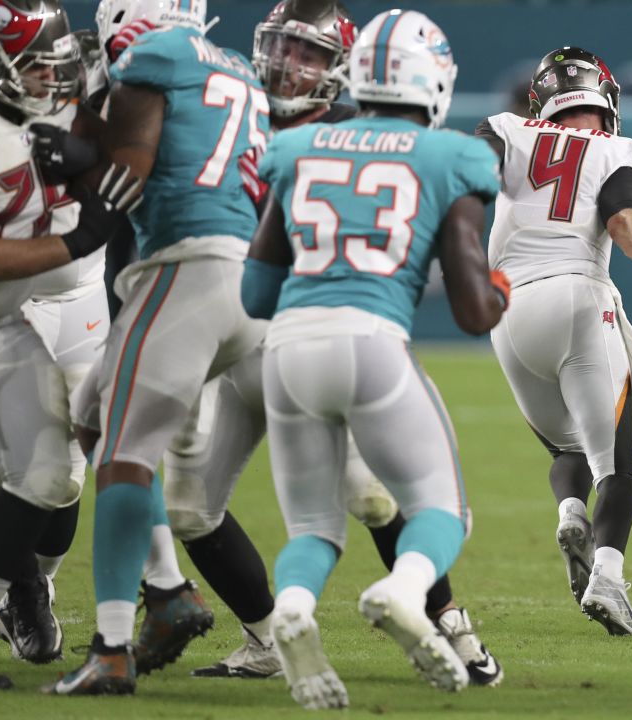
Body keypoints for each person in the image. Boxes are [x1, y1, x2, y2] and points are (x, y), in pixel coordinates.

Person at [180, 0, 502, 685]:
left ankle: (440, 625)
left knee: (351, 506)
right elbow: (474, 306)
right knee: (434, 505)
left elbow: (257, 290)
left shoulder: (297, 145)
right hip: (337, 338)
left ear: (348, 72)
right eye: (284, 48)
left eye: (310, 53)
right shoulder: (449, 153)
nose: (290, 66)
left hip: (280, 337)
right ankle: (291, 627)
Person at [45, 0, 268, 695]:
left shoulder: (151, 58)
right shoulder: (238, 68)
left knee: (121, 457)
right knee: (90, 416)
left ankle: (113, 648)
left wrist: (66, 156)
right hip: (253, 284)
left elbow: (127, 174)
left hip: (186, 272)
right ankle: (168, 587)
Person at [475, 47, 632, 637]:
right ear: (605, 103)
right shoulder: (624, 150)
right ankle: (608, 581)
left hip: (506, 312)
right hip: (577, 298)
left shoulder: (506, 129)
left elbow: (464, 177)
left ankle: (570, 514)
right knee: (618, 467)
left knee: (567, 449)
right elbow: (617, 214)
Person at [0, 0, 138, 688]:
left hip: (59, 299)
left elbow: (130, 156)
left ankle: (23, 589)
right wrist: (73, 236)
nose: (54, 78)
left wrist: (96, 163)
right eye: (38, 67)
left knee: (57, 473)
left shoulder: (58, 106)